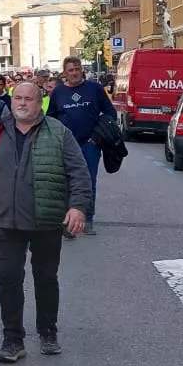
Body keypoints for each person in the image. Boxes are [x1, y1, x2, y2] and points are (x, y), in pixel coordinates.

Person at [0, 81, 92, 363]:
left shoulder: (59, 133)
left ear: (40, 103)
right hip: (6, 222)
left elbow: (79, 172)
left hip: (45, 220)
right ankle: (13, 339)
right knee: (9, 279)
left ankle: (48, 331)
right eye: (17, 98)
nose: (22, 103)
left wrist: (78, 207)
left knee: (46, 278)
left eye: (28, 99)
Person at [46, 55, 116, 235]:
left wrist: (98, 136)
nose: (75, 73)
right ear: (65, 73)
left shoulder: (95, 89)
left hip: (89, 145)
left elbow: (110, 113)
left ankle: (87, 219)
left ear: (81, 70)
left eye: (77, 69)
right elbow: (50, 118)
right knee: (65, 182)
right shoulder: (58, 93)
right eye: (71, 70)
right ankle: (68, 221)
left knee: (87, 182)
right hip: (65, 145)